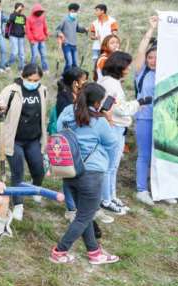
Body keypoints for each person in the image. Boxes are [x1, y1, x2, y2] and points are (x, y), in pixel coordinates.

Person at [51, 82, 120, 265]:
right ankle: (59, 251)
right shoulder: (99, 122)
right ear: (97, 103)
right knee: (84, 216)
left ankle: (94, 252)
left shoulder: (67, 112)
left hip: (69, 170)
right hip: (91, 174)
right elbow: (113, 144)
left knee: (84, 214)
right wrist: (109, 120)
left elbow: (58, 130)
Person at [0, 63, 48, 221]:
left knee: (38, 169)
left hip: (34, 139)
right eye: (30, 79)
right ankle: (18, 205)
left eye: (36, 79)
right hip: (14, 139)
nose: (33, 82)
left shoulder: (42, 90)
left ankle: (35, 188)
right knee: (18, 172)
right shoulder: (12, 90)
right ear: (23, 77)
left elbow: (43, 113)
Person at [133, 17, 174, 205]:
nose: (152, 61)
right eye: (150, 57)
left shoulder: (168, 73)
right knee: (145, 155)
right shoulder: (142, 72)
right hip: (145, 118)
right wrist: (151, 28)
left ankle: (164, 190)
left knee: (164, 155)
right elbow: (141, 50)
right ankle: (142, 189)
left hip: (166, 120)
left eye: (157, 58)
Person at [98, 52, 144, 216]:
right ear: (119, 66)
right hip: (113, 127)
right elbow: (118, 108)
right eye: (127, 65)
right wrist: (138, 104)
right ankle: (105, 199)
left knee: (114, 166)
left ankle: (112, 196)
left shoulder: (112, 82)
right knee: (110, 166)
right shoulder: (110, 85)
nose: (128, 68)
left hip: (118, 128)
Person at [52, 66, 90, 221]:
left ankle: (76, 204)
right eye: (83, 79)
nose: (86, 82)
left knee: (75, 173)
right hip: (66, 141)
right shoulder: (65, 98)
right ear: (75, 82)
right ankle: (71, 208)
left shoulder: (78, 95)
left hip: (76, 140)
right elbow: (66, 121)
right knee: (68, 174)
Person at [55, 3, 88, 70]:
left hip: (74, 44)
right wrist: (60, 34)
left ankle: (73, 77)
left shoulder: (75, 19)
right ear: (72, 10)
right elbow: (57, 30)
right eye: (76, 11)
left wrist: (84, 29)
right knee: (69, 63)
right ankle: (64, 77)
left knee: (75, 63)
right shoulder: (64, 19)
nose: (77, 13)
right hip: (66, 43)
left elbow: (77, 28)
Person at [25, 3, 49, 73]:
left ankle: (45, 69)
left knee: (44, 55)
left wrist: (46, 34)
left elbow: (44, 26)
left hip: (42, 39)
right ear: (35, 11)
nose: (40, 13)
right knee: (34, 56)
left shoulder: (42, 17)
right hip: (34, 41)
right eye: (38, 12)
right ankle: (31, 70)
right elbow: (28, 30)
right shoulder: (29, 18)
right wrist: (31, 39)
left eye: (41, 12)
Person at [6, 2, 27, 71]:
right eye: (20, 8)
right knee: (15, 52)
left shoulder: (23, 17)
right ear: (16, 8)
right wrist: (16, 11)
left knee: (22, 53)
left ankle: (21, 68)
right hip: (13, 36)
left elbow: (25, 26)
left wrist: (25, 32)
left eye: (22, 8)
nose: (22, 10)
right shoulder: (13, 15)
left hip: (21, 37)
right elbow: (10, 20)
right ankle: (8, 64)